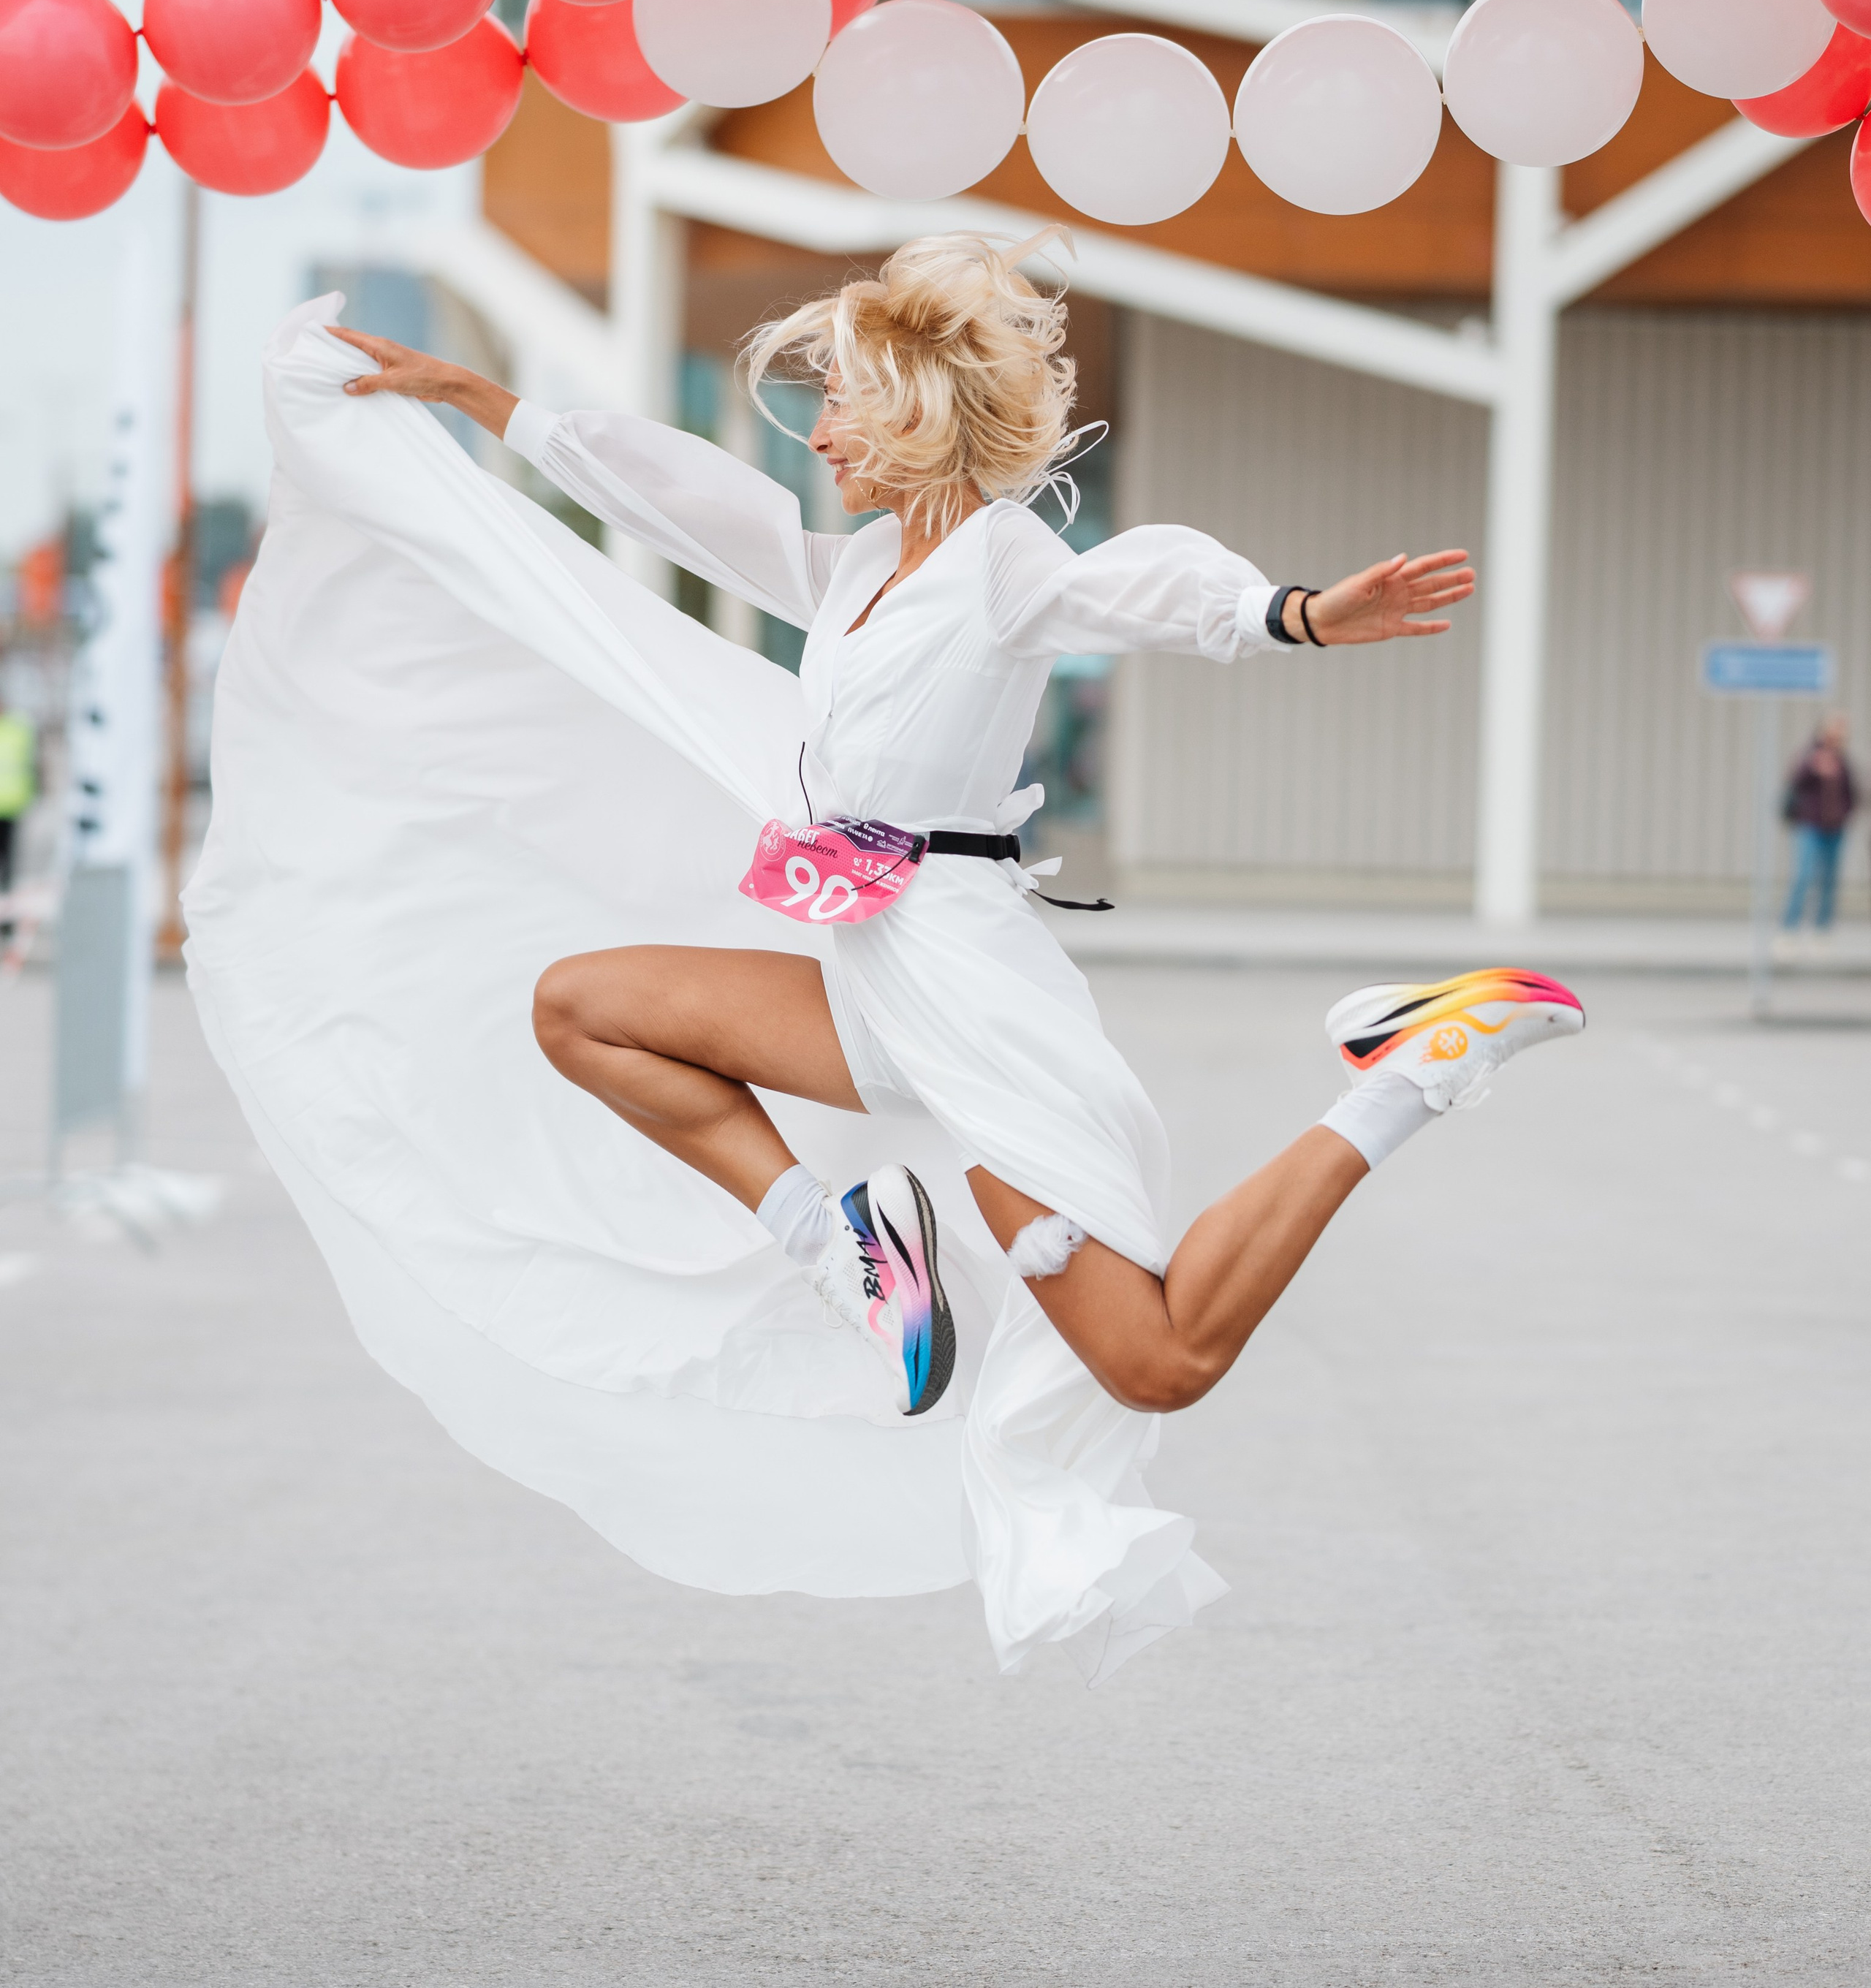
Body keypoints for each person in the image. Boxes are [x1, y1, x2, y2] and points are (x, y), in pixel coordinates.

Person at [183, 235, 1582, 1684]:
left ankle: (1411, 1060)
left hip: (970, 998)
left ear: (918, 411)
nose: (824, 432)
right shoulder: (853, 569)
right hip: (868, 975)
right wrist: (482, 400)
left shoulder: (1004, 564)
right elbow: (694, 513)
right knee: (582, 1005)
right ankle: (844, 1246)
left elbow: (1139, 588)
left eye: (846, 403)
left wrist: (1287, 614)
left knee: (1156, 1356)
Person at [1780, 714, 1856, 933]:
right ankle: (1790, 926)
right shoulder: (1810, 756)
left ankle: (1822, 928)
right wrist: (1814, 767)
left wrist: (1845, 813)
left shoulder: (1843, 760)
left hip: (1835, 827)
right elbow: (1795, 782)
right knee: (1804, 875)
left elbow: (1851, 792)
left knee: (1830, 880)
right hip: (1810, 825)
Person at [0, 691, 37, 941]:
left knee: (9, 872)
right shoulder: (19, 728)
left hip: (12, 808)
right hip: (13, 804)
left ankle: (6, 920)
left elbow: (32, 765)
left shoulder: (19, 728)